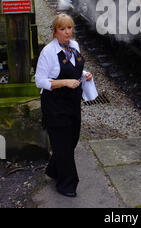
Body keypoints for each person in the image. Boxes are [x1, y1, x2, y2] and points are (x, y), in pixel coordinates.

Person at [35, 13, 93, 198]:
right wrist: (64, 82)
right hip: (55, 105)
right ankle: (67, 184)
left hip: (73, 103)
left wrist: (85, 74)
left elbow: (75, 68)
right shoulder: (48, 52)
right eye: (62, 29)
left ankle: (53, 169)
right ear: (55, 31)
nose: (67, 32)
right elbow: (39, 81)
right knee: (63, 145)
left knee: (72, 140)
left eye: (69, 28)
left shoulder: (74, 46)